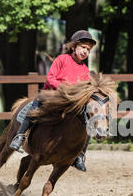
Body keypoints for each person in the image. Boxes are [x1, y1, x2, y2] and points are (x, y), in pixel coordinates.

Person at [9, 30, 96, 172]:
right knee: (37, 103)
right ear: (74, 47)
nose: (85, 51)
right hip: (53, 94)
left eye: (88, 49)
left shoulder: (85, 69)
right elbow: (50, 78)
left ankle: (80, 155)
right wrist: (64, 88)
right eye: (83, 47)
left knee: (88, 120)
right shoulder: (62, 59)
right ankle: (20, 135)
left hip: (71, 102)